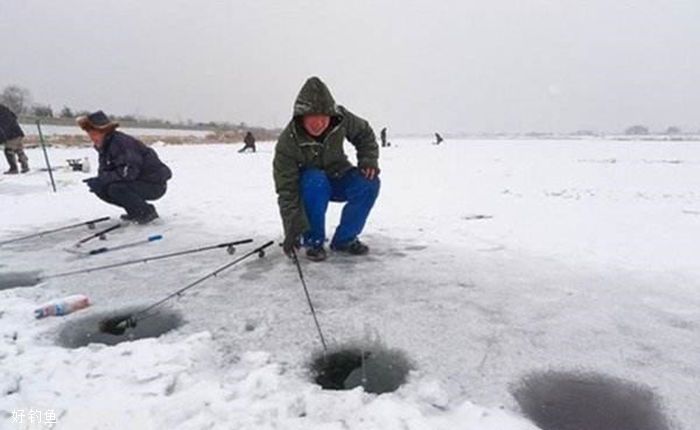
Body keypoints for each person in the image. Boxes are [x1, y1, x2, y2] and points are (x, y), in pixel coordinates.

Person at [274, 77, 380, 262]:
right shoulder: (287, 142)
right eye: (312, 118)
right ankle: (313, 241)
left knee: (369, 183)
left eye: (323, 117)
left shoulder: (342, 118)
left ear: (331, 116)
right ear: (301, 117)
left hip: (340, 177)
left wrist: (368, 160)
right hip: (311, 187)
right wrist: (291, 229)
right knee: (315, 179)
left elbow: (364, 133)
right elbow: (287, 191)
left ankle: (345, 240)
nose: (319, 123)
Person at [78, 111, 172, 224]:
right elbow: (105, 171)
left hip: (154, 184)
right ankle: (135, 212)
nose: (91, 138)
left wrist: (103, 179)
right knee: (103, 189)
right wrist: (99, 181)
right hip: (137, 182)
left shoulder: (122, 143)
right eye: (89, 134)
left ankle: (146, 212)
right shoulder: (105, 146)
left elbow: (128, 173)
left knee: (116, 188)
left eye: (93, 134)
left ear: (104, 131)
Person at [0, 103, 29, 174]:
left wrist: (1, 140)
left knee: (8, 150)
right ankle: (25, 166)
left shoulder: (2, 116)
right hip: (18, 133)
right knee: (18, 149)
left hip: (12, 135)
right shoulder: (6, 111)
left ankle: (13, 168)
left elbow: (2, 129)